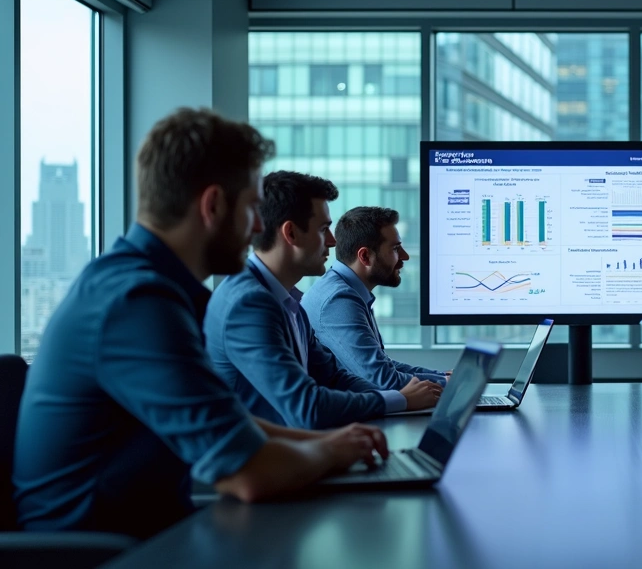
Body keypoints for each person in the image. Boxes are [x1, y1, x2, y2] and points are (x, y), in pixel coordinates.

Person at [12, 108, 389, 538]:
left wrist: (330, 444)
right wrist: (334, 453)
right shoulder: (136, 302)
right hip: (94, 566)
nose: (256, 227)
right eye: (251, 208)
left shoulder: (162, 290)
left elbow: (228, 420)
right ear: (212, 205)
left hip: (145, 537)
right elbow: (248, 474)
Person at [205, 171, 442, 430]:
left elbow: (333, 377)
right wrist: (398, 400)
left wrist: (400, 398)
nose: (333, 241)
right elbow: (307, 406)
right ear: (291, 233)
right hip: (263, 460)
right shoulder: (248, 304)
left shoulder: (289, 301)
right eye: (323, 229)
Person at [300, 206, 447, 389]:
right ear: (365, 256)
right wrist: (446, 384)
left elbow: (383, 365)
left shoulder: (348, 291)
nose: (405, 256)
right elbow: (382, 379)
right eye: (395, 249)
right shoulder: (338, 300)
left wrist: (442, 377)